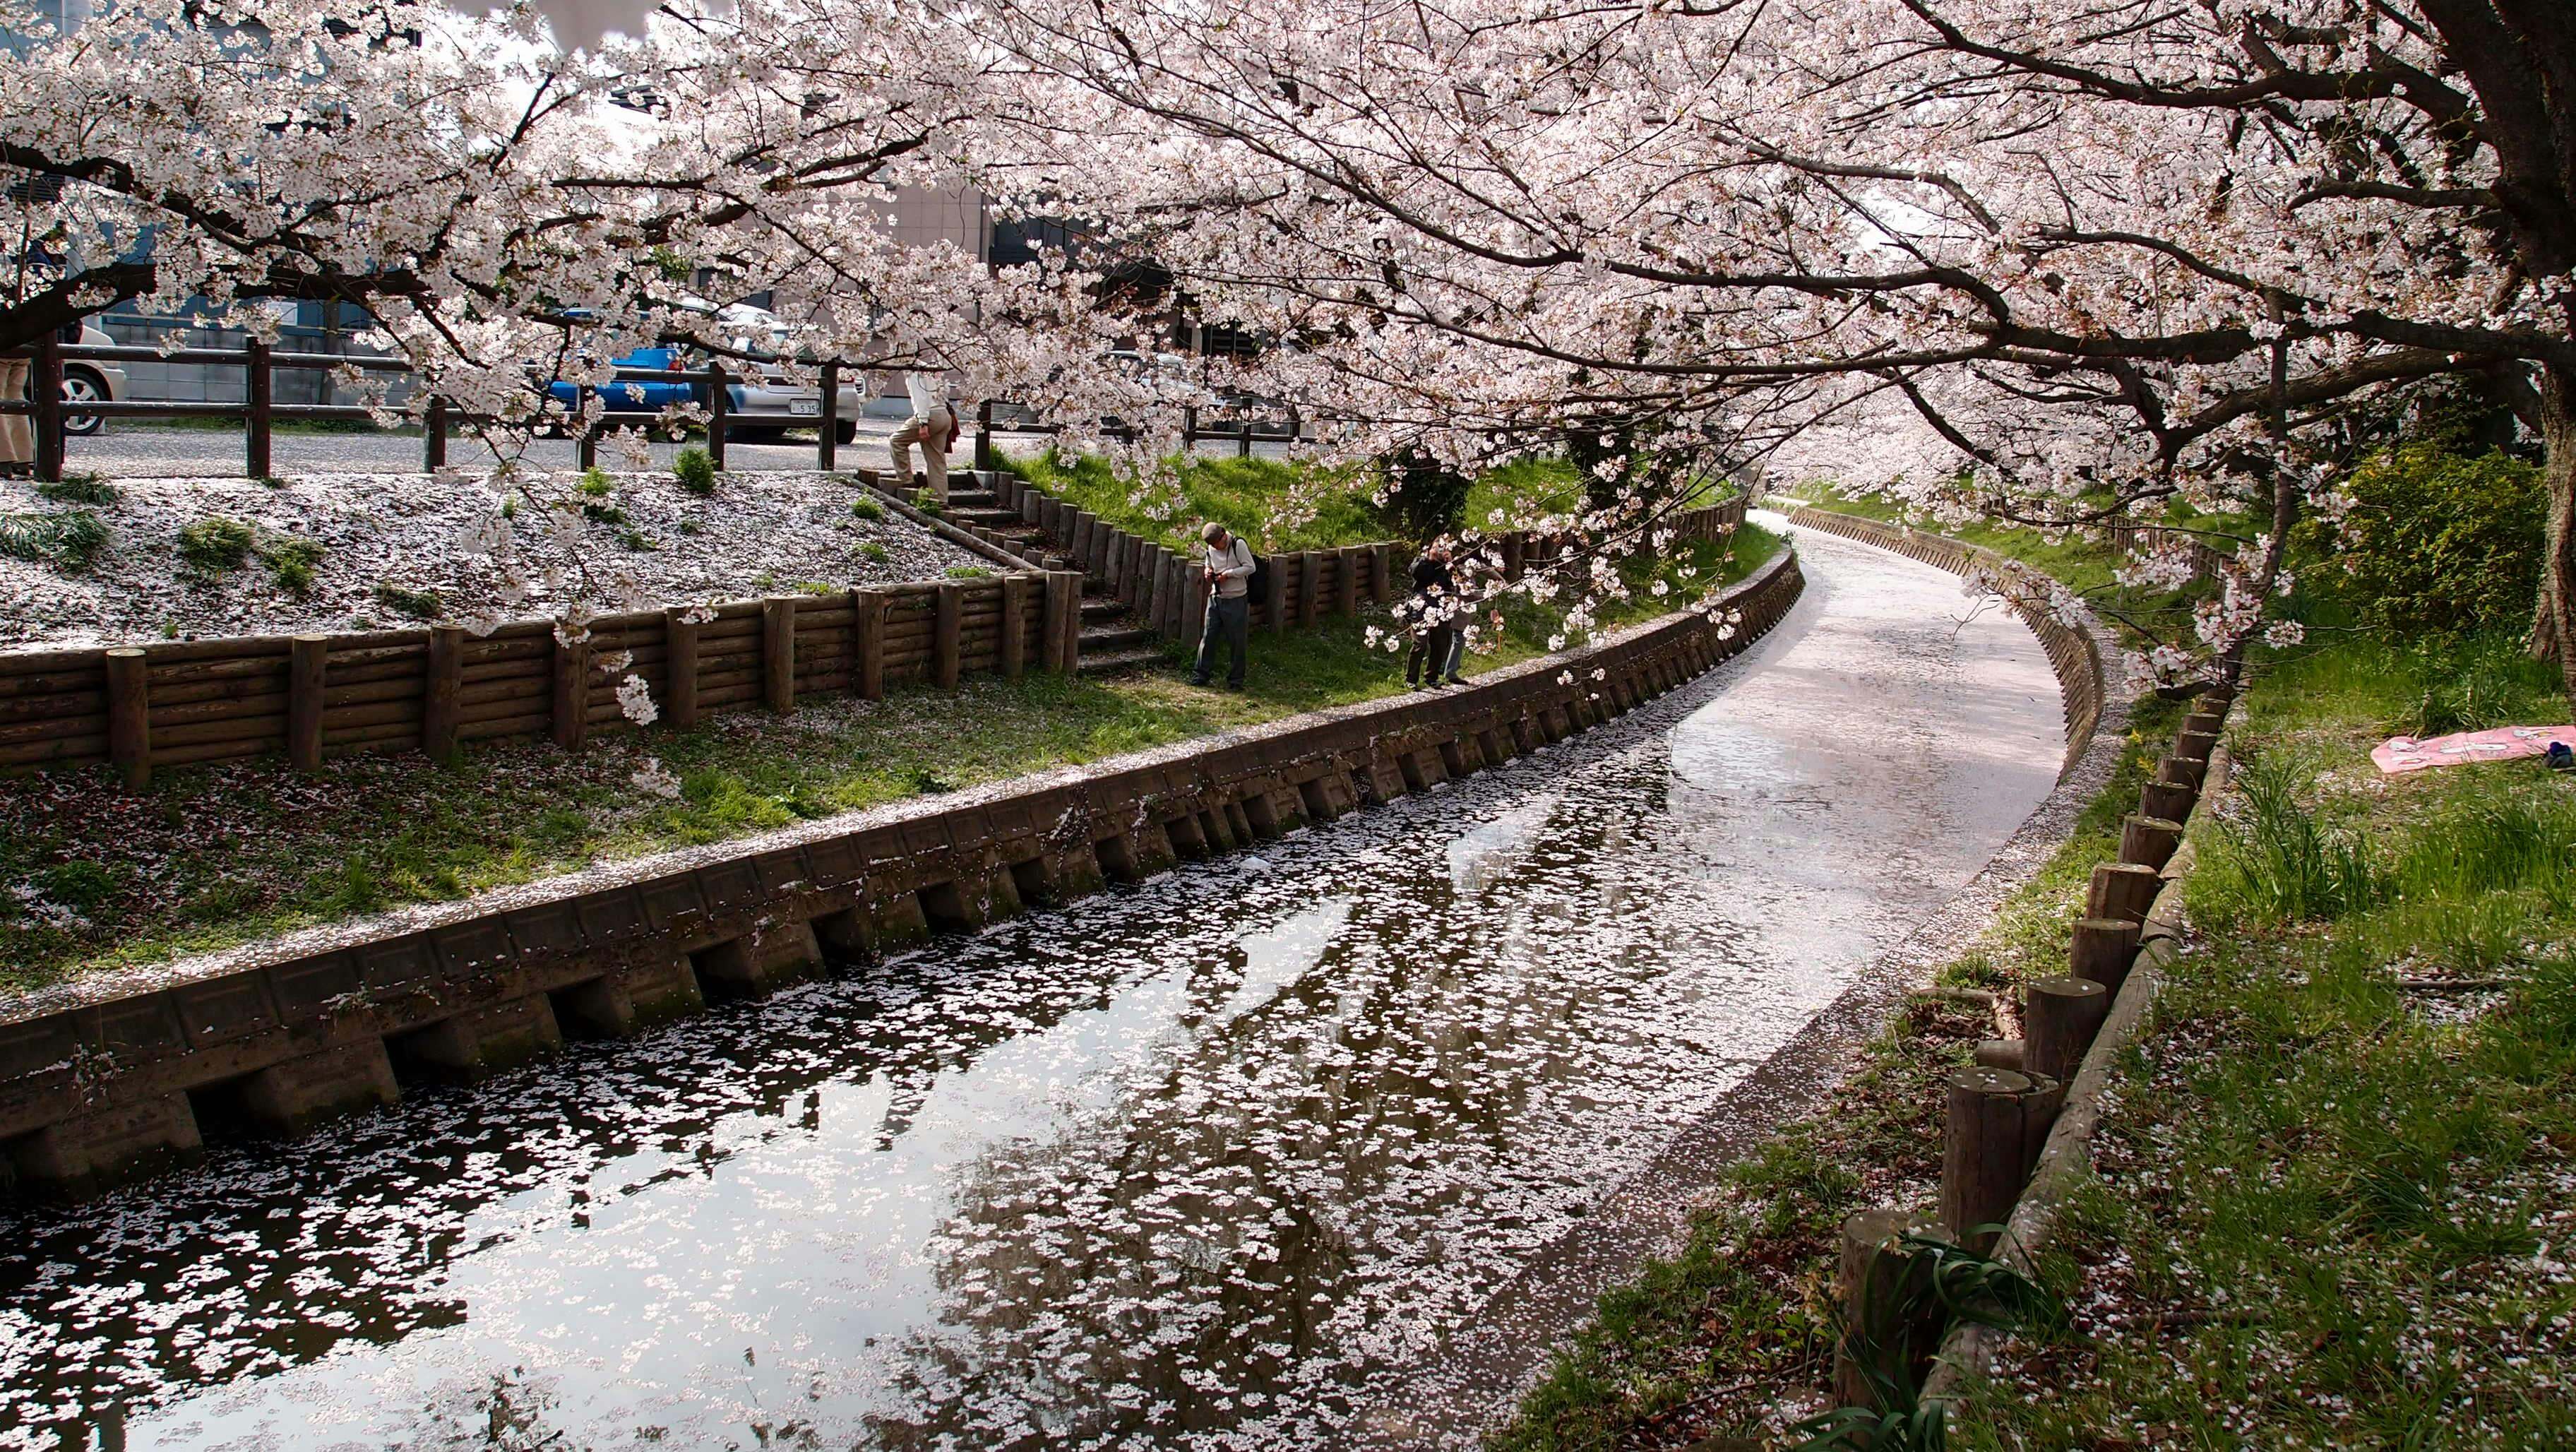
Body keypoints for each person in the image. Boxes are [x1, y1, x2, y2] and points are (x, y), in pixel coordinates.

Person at [1192, 520, 1256, 689]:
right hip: (1216, 598)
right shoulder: (1211, 548)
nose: (1216, 548)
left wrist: (1228, 574)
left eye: (1217, 544)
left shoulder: (1238, 544)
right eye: (1212, 545)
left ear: (1224, 535)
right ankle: (1200, 675)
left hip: (1236, 598)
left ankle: (1236, 680)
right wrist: (1208, 571)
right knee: (1208, 637)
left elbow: (1250, 567)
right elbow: (1209, 562)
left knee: (1237, 641)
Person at [888, 369, 957, 506]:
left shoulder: (913, 372)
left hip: (930, 416)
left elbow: (921, 399)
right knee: (937, 460)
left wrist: (923, 422)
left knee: (896, 441)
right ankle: (940, 499)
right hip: (944, 415)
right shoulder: (930, 369)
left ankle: (906, 481)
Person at [1407, 544, 1457, 689]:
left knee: (1440, 644)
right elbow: (1415, 572)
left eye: (1444, 548)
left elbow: (1459, 583)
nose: (1441, 551)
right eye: (1438, 548)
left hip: (1442, 609)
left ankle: (1432, 677)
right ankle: (1411, 679)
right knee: (1419, 644)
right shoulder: (1422, 561)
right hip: (1421, 608)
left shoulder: (1448, 566)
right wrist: (1430, 559)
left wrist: (1451, 565)